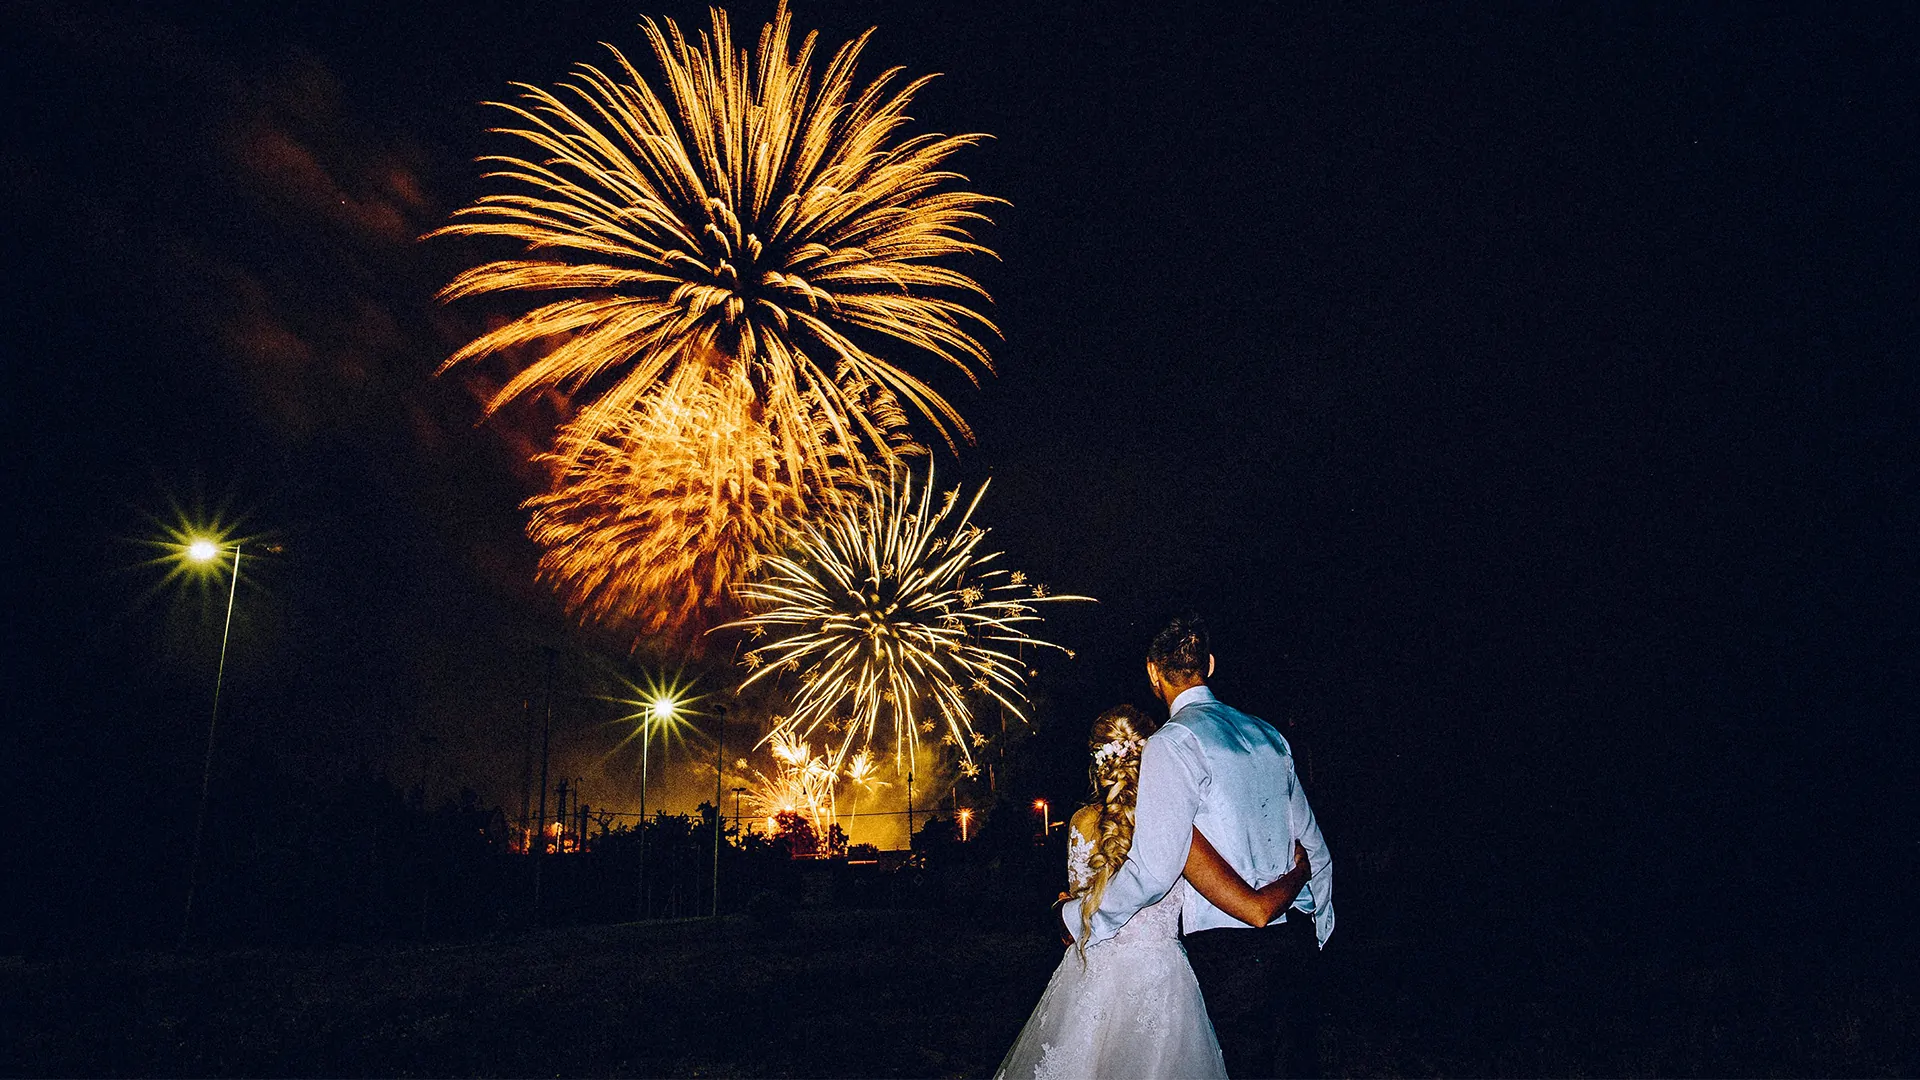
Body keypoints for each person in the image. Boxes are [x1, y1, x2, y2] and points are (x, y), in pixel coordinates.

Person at [1063, 614, 1335, 1078]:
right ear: (1209, 663)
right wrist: (1318, 927)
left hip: (1227, 954)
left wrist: (1079, 916)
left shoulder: (1173, 744)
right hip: (1292, 943)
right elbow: (1314, 846)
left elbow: (1154, 867)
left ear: (1153, 672)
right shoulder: (1270, 736)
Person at [995, 705, 1311, 1080]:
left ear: (1097, 763)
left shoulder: (1081, 822)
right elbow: (1252, 907)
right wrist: (1299, 873)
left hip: (1091, 979)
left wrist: (1068, 907)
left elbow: (1079, 920)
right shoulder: (1178, 830)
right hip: (1161, 983)